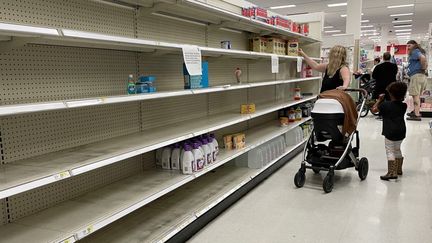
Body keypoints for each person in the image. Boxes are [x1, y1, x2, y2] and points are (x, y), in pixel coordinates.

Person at [372, 82, 408, 180]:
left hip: (390, 131)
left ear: (391, 94)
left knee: (390, 151)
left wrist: (379, 100)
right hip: (401, 131)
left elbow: (374, 110)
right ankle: (399, 169)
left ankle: (392, 173)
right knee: (397, 149)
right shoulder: (404, 106)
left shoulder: (385, 105)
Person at [406, 40, 428, 121]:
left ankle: (417, 115)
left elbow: (422, 58)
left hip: (416, 75)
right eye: (407, 46)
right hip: (421, 76)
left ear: (415, 45)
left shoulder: (415, 51)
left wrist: (423, 67)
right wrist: (424, 68)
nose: (408, 47)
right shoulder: (420, 51)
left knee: (415, 96)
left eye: (409, 45)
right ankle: (416, 111)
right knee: (418, 95)